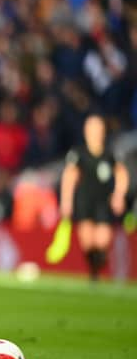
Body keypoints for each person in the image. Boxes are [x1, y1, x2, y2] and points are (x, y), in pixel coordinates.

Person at [59, 114, 129, 281]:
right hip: (84, 201)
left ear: (103, 131)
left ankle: (97, 266)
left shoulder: (109, 153)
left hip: (103, 201)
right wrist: (66, 201)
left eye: (97, 128)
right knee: (87, 241)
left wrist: (119, 195)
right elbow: (69, 176)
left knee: (103, 241)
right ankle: (94, 272)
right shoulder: (78, 153)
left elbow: (122, 173)